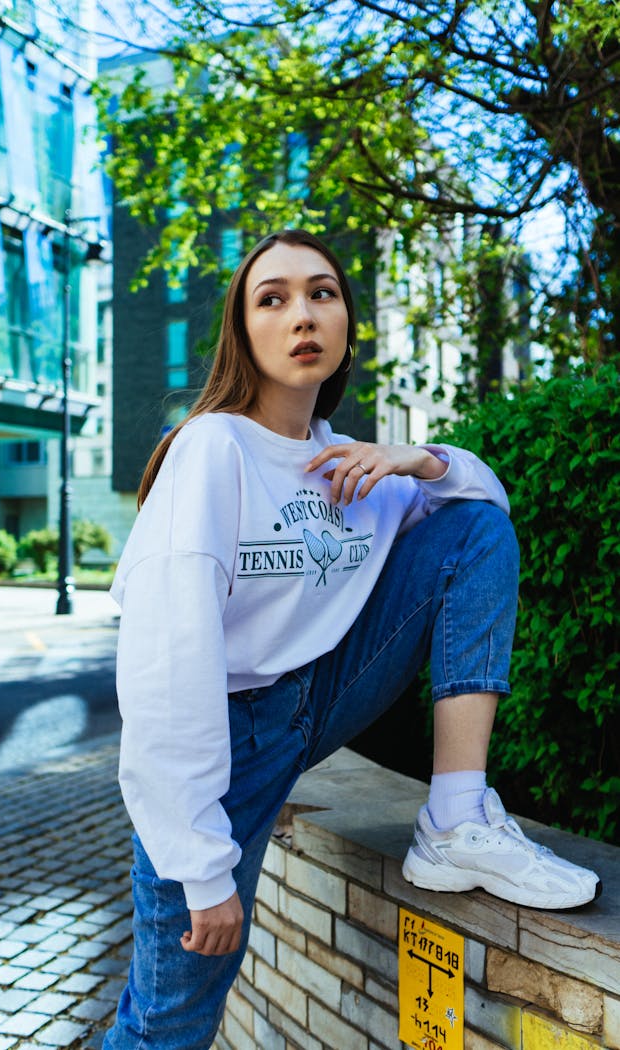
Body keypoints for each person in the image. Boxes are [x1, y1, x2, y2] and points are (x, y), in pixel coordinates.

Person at [103, 229, 600, 1050]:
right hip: (221, 745)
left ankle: (456, 816)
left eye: (322, 293)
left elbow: (486, 519)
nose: (303, 313)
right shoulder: (212, 450)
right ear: (245, 331)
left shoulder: (354, 463)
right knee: (170, 1020)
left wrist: (421, 461)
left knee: (472, 530)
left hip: (320, 696)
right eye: (274, 298)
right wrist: (199, 864)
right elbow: (163, 672)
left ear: (346, 326)